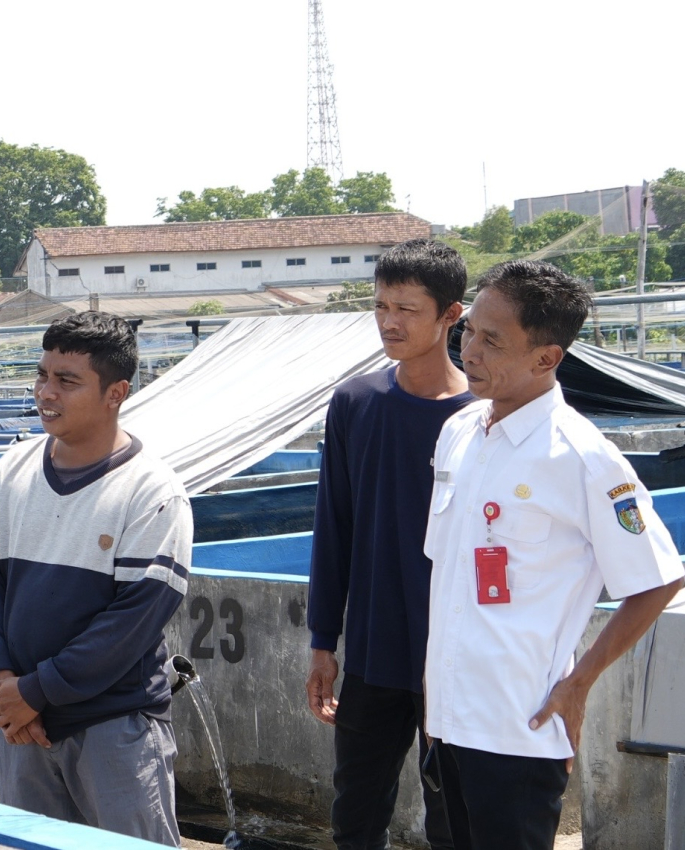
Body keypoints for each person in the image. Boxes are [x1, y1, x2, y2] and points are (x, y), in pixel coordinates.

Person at [424, 260, 685, 850]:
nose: (470, 351)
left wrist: (579, 684)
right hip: (445, 721)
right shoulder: (459, 432)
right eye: (469, 330)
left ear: (546, 358)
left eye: (493, 341)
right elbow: (447, 576)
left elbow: (658, 578)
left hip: (519, 728)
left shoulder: (582, 456)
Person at [0, 311, 192, 847]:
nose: (47, 392)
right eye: (43, 375)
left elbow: (131, 623)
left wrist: (34, 691)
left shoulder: (151, 492)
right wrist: (2, 680)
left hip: (114, 725)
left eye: (67, 381)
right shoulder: (13, 471)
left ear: (116, 392)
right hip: (20, 723)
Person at [306, 238, 471, 850]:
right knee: (355, 817)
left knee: (452, 822)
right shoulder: (355, 402)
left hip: (455, 658)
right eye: (380, 306)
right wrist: (323, 642)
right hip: (373, 653)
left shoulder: (484, 414)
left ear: (451, 314)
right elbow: (334, 527)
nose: (389, 322)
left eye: (406, 309)